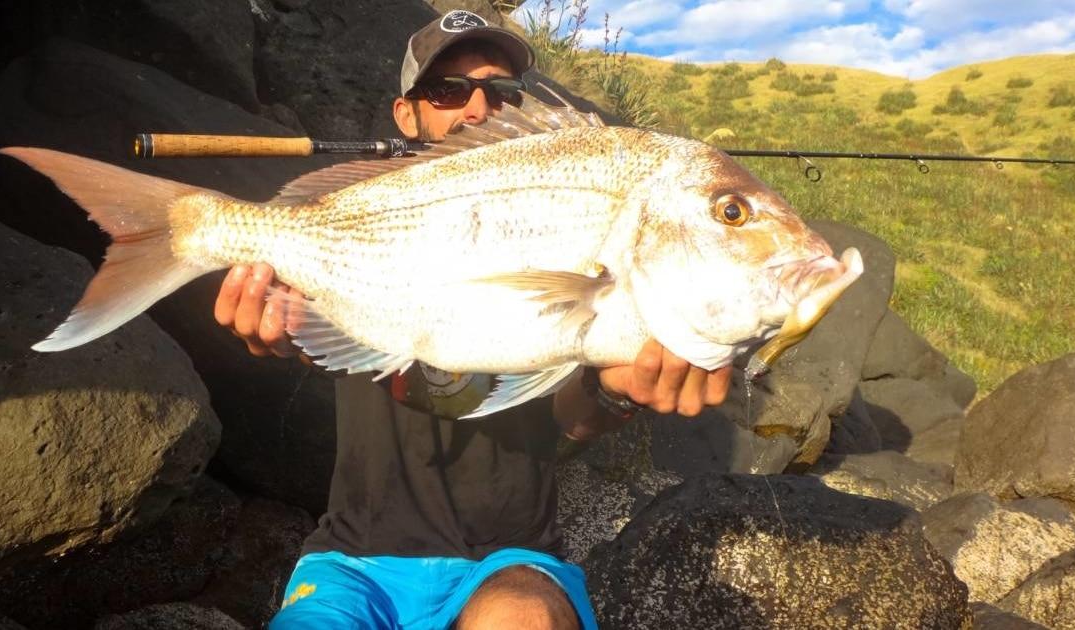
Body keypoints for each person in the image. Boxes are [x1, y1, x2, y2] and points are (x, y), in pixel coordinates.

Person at [214, 10, 732, 630]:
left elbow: (569, 421)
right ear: (406, 116)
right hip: (351, 561)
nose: (478, 108)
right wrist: (282, 330)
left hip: (509, 560)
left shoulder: (561, 214)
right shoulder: (369, 210)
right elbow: (328, 336)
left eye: (503, 91)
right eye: (448, 90)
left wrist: (615, 391)